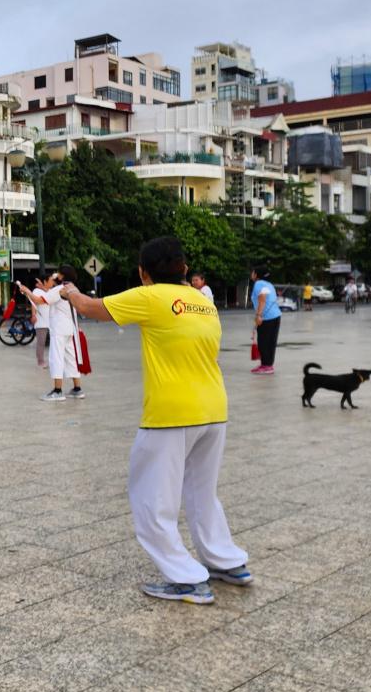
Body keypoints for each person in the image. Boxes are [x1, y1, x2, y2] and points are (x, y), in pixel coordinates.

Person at [59, 236, 250, 604]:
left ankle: (187, 579)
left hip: (170, 414)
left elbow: (92, 307)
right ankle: (228, 563)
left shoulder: (149, 297)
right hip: (214, 411)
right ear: (183, 268)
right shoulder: (203, 301)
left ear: (143, 273)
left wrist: (69, 292)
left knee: (150, 498)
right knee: (201, 493)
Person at [26, 265, 84, 400]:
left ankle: (57, 391)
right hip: (70, 328)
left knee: (56, 357)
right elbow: (52, 296)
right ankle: (77, 389)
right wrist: (44, 287)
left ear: (62, 275)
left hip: (59, 328)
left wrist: (26, 291)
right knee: (71, 358)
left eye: (58, 273)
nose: (55, 275)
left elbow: (38, 300)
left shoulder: (59, 289)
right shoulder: (73, 289)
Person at [250, 266, 281, 374]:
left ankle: (266, 365)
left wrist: (258, 315)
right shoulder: (269, 284)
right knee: (271, 342)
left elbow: (262, 299)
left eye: (253, 272)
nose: (252, 274)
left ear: (257, 274)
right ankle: (267, 364)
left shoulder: (258, 284)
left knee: (263, 342)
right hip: (276, 315)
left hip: (266, 317)